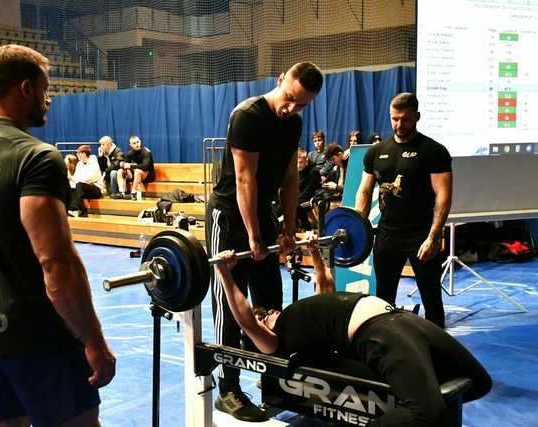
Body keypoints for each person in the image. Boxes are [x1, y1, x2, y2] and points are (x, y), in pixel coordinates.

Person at [0, 44, 115, 427]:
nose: (48, 99)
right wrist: (93, 340)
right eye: (44, 88)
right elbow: (56, 263)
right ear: (25, 88)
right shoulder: (35, 157)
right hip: (39, 338)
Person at [213, 236, 492, 427]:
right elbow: (246, 319)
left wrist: (314, 253)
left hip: (402, 319)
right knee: (427, 414)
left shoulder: (301, 318)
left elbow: (325, 288)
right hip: (380, 334)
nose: (269, 313)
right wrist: (225, 273)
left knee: (478, 381)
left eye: (268, 311)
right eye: (265, 316)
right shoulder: (275, 342)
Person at [206, 61, 323, 422]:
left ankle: (272, 384)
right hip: (230, 214)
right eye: (290, 98)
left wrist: (287, 227)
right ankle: (227, 389)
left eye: (301, 105)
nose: (292, 108)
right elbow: (245, 181)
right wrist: (255, 235)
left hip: (265, 215)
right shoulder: (248, 115)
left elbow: (290, 178)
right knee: (231, 303)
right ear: (280, 81)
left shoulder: (295, 123)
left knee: (270, 302)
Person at [355, 92, 452, 328]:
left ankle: (437, 350)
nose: (399, 125)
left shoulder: (434, 151)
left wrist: (433, 236)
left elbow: (443, 195)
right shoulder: (376, 152)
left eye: (405, 119)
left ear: (417, 116)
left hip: (421, 235)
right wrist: (359, 228)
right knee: (382, 299)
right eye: (395, 119)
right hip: (387, 235)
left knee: (431, 298)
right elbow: (365, 191)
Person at [69, 144, 105, 217]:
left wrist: (81, 180)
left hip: (96, 189)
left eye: (79, 153)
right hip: (84, 188)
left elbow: (90, 178)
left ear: (84, 154)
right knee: (72, 186)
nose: (77, 155)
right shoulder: (79, 164)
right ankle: (81, 211)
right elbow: (76, 178)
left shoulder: (93, 162)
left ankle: (76, 209)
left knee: (79, 185)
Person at [117, 135, 155, 200]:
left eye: (137, 142)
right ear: (130, 145)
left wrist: (130, 166)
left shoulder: (146, 152)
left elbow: (145, 166)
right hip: (136, 175)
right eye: (134, 143)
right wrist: (123, 165)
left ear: (140, 142)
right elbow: (125, 163)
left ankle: (133, 192)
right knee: (120, 171)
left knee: (137, 171)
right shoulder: (130, 153)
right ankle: (121, 192)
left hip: (148, 175)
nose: (137, 144)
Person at [296, 148, 322, 231]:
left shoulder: (314, 171)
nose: (298, 165)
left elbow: (308, 192)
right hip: (300, 197)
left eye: (301, 162)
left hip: (312, 198)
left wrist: (293, 200)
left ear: (306, 160)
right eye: (296, 162)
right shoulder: (297, 170)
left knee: (296, 206)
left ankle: (306, 229)